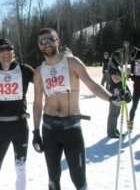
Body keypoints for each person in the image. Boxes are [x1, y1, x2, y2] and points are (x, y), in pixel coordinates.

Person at [32, 28, 128, 190]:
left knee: (79, 179)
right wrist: (35, 132)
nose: (46, 44)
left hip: (71, 128)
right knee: (53, 177)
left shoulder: (72, 63)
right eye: (42, 42)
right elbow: (37, 103)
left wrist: (111, 99)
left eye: (50, 39)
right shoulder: (39, 72)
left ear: (57, 41)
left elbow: (92, 85)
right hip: (49, 128)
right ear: (39, 46)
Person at [0, 38, 34, 190]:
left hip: (20, 126)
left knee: (21, 169)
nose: (6, 53)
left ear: (14, 52)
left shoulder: (24, 69)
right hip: (1, 128)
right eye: (2, 50)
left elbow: (43, 80)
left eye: (9, 49)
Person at [107, 50, 131, 138]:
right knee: (113, 113)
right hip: (114, 91)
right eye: (119, 58)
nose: (120, 60)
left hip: (119, 90)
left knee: (116, 113)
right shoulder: (112, 67)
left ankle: (114, 129)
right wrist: (124, 76)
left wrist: (126, 72)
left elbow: (125, 76)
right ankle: (111, 132)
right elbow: (115, 79)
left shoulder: (118, 67)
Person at [128, 46, 140, 130]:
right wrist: (129, 75)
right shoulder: (136, 64)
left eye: (137, 59)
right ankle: (130, 124)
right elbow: (135, 75)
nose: (136, 61)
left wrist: (131, 77)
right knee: (134, 106)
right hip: (136, 88)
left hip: (138, 85)